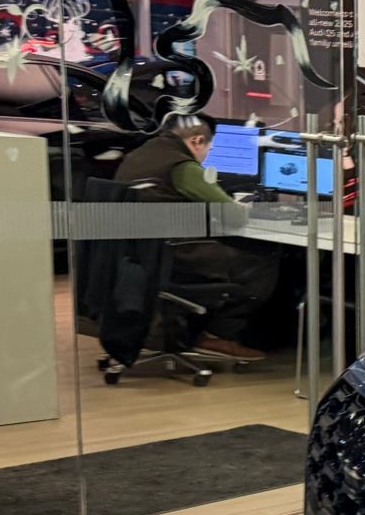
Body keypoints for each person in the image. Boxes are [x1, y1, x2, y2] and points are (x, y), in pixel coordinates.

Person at [113, 116, 278, 361]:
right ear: (197, 141)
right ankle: (216, 336)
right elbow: (233, 216)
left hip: (137, 255)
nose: (207, 157)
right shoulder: (181, 166)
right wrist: (239, 207)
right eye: (209, 149)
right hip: (175, 254)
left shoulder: (140, 154)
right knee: (262, 262)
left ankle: (193, 330)